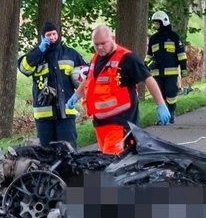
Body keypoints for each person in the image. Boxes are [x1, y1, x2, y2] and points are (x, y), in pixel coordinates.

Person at [66, 25, 171, 154]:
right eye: (96, 44)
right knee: (107, 162)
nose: (99, 47)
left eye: (103, 43)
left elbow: (148, 79)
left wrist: (161, 104)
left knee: (114, 164)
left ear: (113, 38)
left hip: (120, 124)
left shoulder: (127, 59)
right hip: (100, 123)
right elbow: (89, 80)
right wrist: (76, 95)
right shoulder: (96, 58)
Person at [18, 22, 88, 149]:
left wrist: (79, 92)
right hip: (44, 116)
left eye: (54, 34)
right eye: (48, 35)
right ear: (42, 37)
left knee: (68, 150)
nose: (52, 37)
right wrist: (39, 51)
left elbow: (87, 74)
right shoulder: (36, 55)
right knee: (46, 153)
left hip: (66, 112)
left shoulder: (70, 53)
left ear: (58, 34)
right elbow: (23, 68)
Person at [146, 11, 187, 124]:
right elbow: (149, 55)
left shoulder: (174, 37)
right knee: (160, 94)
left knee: (171, 93)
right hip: (156, 73)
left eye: (157, 23)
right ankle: (162, 117)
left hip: (171, 73)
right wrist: (144, 66)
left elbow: (181, 54)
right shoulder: (153, 39)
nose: (155, 26)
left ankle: (171, 112)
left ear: (164, 22)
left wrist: (183, 68)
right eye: (154, 24)